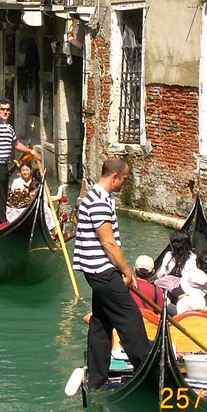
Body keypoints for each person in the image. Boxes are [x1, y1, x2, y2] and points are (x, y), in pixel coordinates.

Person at [72, 157, 151, 390]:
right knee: (131, 320)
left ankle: (96, 380)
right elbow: (108, 243)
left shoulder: (101, 198)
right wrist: (126, 271)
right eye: (124, 179)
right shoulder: (98, 201)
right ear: (114, 177)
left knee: (101, 322)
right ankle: (149, 375)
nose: (125, 183)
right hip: (103, 271)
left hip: (96, 271)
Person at [0, 99, 41, 227]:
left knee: (0, 194)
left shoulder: (10, 128)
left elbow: (16, 144)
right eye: (2, 109)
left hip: (2, 165)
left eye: (7, 110)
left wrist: (31, 152)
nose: (5, 112)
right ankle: (1, 224)